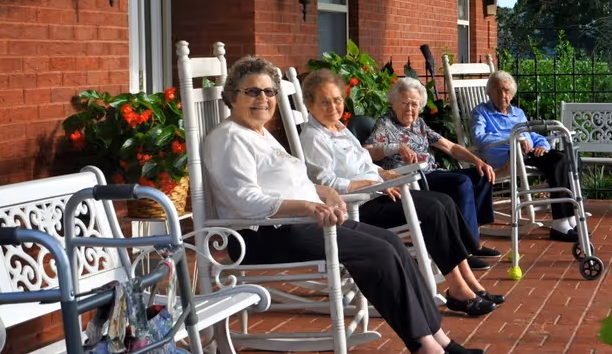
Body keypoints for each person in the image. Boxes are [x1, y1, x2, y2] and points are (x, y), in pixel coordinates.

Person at [202, 56, 484, 354]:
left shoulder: (260, 134)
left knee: (391, 243)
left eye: (269, 92)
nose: (264, 98)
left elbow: (289, 182)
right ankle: (425, 346)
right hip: (262, 235)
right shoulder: (228, 138)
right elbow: (244, 201)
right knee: (378, 253)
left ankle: (438, 337)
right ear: (233, 95)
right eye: (253, 91)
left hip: (299, 224)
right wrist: (308, 207)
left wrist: (322, 191)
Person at [299, 69, 504, 316]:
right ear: (309, 103)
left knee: (444, 202)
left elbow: (364, 163)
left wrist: (384, 175)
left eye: (337, 100)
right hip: (358, 206)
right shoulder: (313, 136)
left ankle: (472, 283)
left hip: (379, 193)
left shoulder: (339, 129)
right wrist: (371, 185)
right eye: (324, 101)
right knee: (431, 210)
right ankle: (458, 291)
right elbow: (326, 182)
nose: (333, 107)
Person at [363, 77, 500, 270]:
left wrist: (478, 161)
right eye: (404, 103)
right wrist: (394, 147)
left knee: (481, 175)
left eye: (414, 104)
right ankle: (465, 251)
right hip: (414, 177)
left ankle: (473, 241)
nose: (409, 109)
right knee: (460, 183)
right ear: (393, 103)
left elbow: (451, 147)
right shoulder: (386, 124)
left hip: (433, 173)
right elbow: (366, 151)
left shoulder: (419, 124)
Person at [471, 70, 578, 242]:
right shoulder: (481, 112)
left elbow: (532, 136)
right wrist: (514, 138)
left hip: (528, 153)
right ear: (489, 92)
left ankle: (568, 218)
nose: (502, 94)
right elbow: (479, 137)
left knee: (568, 159)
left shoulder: (518, 113)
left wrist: (542, 145)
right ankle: (561, 223)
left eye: (506, 90)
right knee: (559, 162)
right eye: (497, 89)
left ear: (512, 94)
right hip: (508, 155)